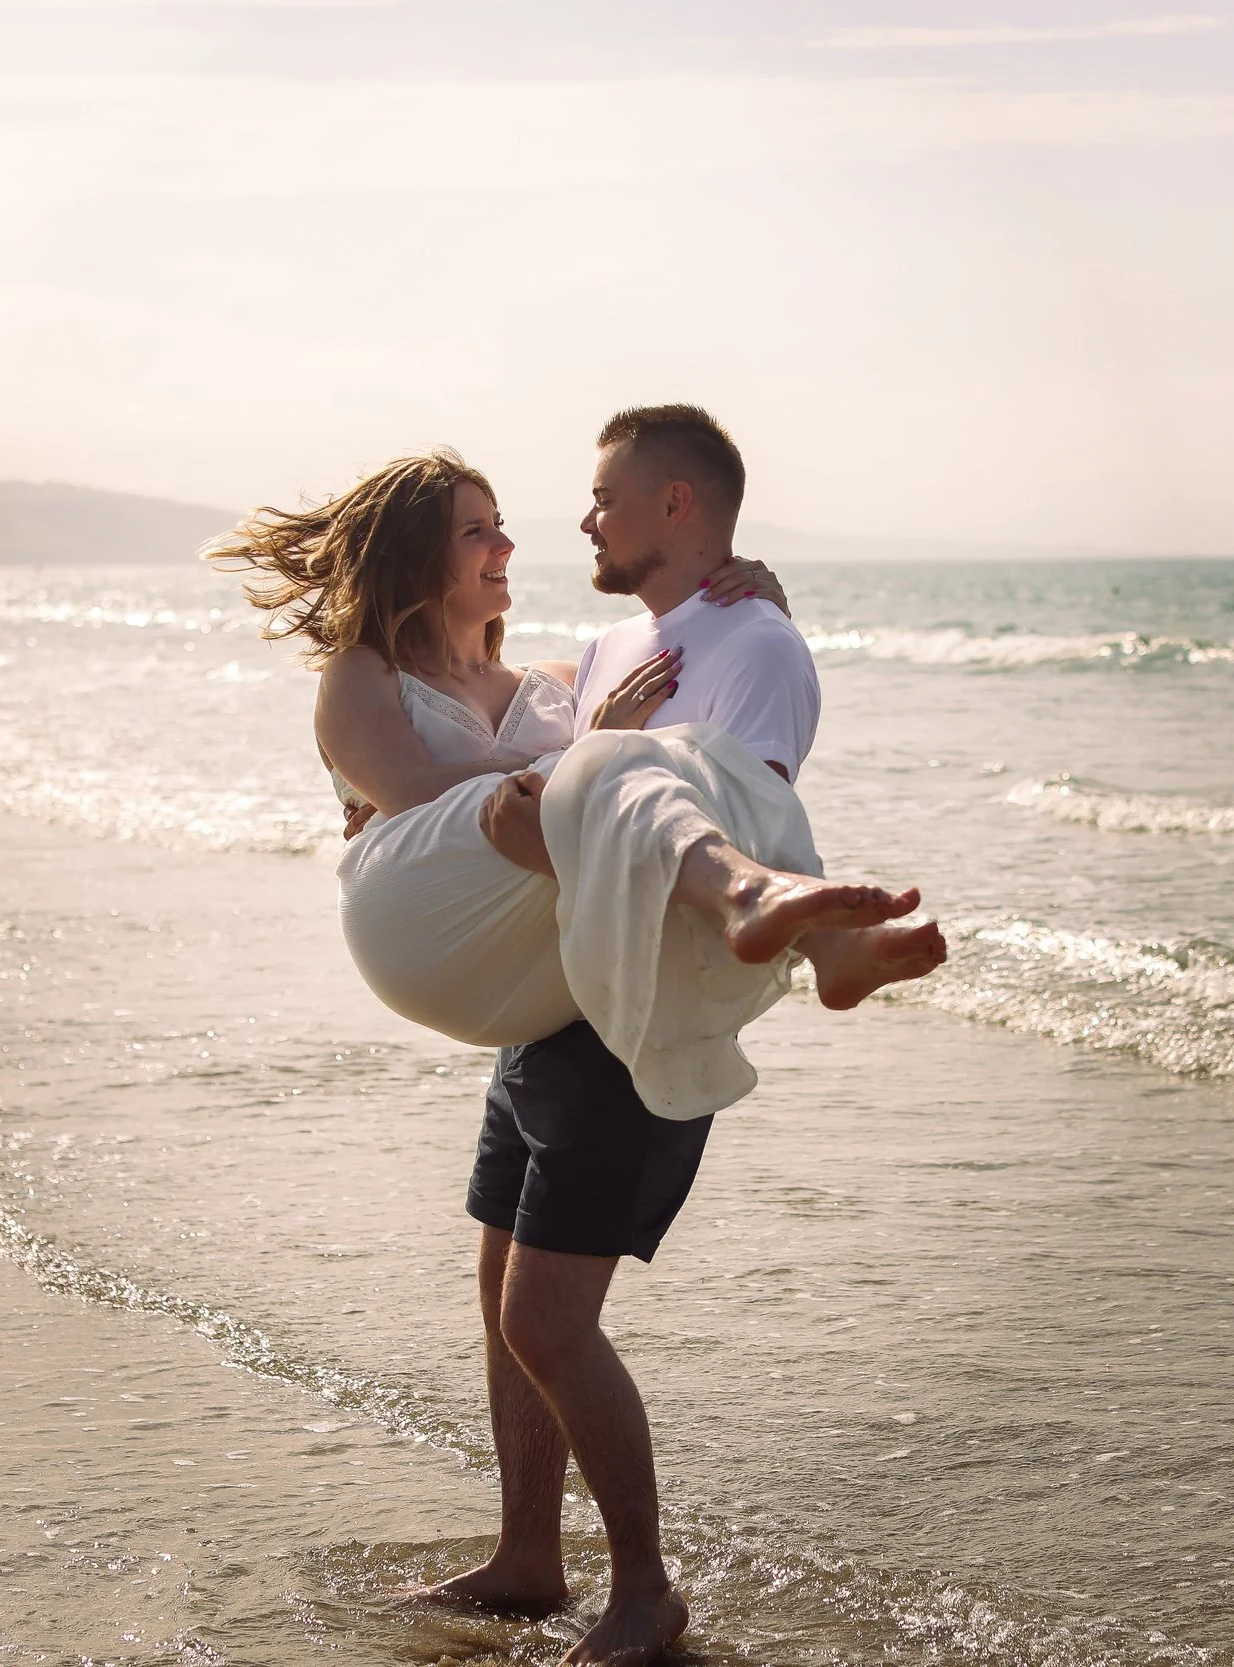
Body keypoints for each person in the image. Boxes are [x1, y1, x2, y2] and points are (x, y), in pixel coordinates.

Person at [208, 407, 944, 1666]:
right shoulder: (394, 680)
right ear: (417, 559)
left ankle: (636, 1588)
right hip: (488, 959)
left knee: (539, 1314)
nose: (508, 542)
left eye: (500, 523)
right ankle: (528, 1553)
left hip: (589, 1007)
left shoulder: (549, 686)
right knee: (508, 1299)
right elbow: (461, 805)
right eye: (476, 529)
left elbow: (691, 753)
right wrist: (600, 737)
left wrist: (727, 615)